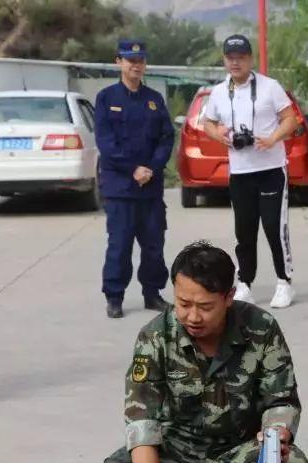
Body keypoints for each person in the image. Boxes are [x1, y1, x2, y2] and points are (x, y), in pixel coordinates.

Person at [93, 241, 308, 463]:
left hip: (239, 450)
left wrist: (276, 435)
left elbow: (281, 399)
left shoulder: (260, 328)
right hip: (178, 452)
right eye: (183, 303)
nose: (192, 316)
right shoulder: (155, 337)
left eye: (205, 307)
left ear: (229, 296)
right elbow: (142, 425)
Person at [202, 35, 299, 309]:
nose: (235, 62)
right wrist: (218, 133)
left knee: (273, 228)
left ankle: (284, 281)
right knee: (244, 231)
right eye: (230, 58)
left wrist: (273, 138)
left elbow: (290, 119)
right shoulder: (219, 92)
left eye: (241, 57)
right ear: (224, 60)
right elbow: (207, 123)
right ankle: (244, 282)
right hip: (240, 172)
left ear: (250, 59)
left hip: (270, 170)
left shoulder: (270, 87)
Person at [94, 39, 175, 320]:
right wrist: (133, 169)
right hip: (120, 188)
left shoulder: (154, 99)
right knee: (120, 245)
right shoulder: (106, 98)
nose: (136, 65)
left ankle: (152, 294)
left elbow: (166, 138)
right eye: (130, 60)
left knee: (154, 244)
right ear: (119, 62)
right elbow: (106, 143)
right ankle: (114, 297)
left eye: (140, 61)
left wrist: (151, 168)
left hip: (150, 188)